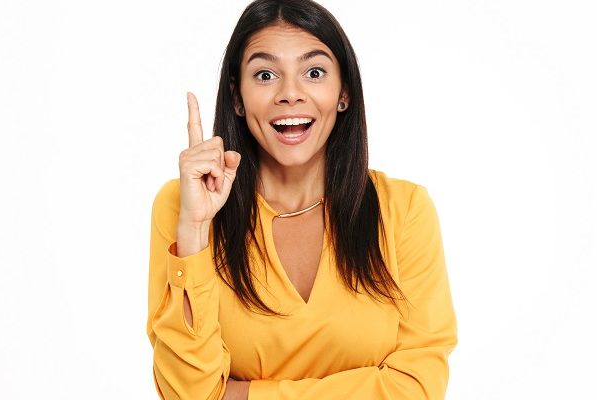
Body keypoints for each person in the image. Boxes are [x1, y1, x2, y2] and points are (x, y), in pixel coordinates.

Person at [146, 0, 458, 398]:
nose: (290, 94)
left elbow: (418, 386)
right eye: (265, 74)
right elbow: (188, 392)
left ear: (343, 93)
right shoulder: (184, 205)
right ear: (237, 98)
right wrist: (194, 230)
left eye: (314, 72)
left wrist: (243, 394)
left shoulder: (404, 209)